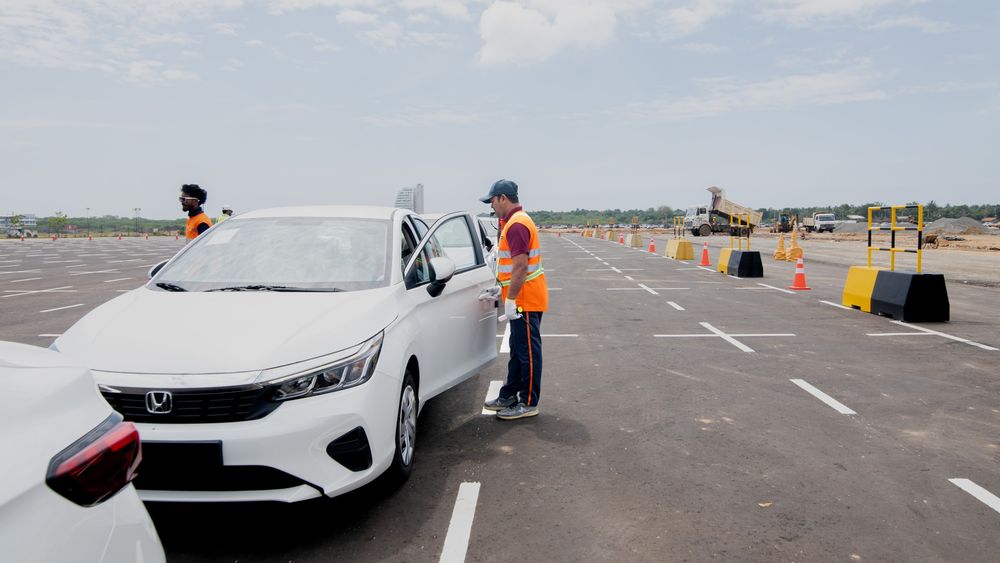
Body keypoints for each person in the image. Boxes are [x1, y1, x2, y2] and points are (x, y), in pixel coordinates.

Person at [480, 179, 549, 420]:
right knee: (519, 353)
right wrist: (501, 291)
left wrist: (510, 299)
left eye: (492, 201)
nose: (492, 206)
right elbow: (513, 268)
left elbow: (520, 267)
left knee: (528, 353)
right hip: (521, 297)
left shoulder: (517, 225)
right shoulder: (512, 222)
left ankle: (529, 402)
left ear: (503, 198)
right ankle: (509, 394)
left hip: (526, 300)